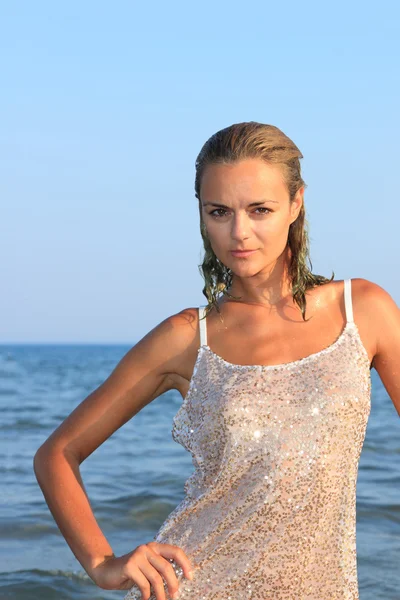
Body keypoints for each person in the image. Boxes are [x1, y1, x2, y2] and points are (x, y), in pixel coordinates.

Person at [34, 121, 400, 600]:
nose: (239, 232)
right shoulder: (188, 338)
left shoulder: (363, 311)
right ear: (202, 216)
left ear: (296, 203)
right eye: (220, 211)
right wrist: (103, 562)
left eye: (260, 210)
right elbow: (56, 455)